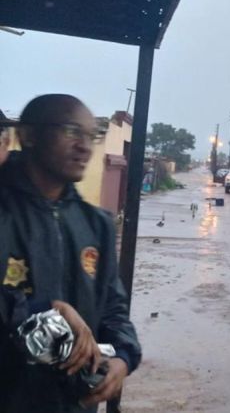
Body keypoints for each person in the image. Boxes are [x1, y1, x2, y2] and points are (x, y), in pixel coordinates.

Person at [0, 94, 141, 412]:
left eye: (91, 136)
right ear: (29, 135)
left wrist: (123, 356)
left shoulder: (97, 224)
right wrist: (47, 310)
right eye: (71, 131)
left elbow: (112, 307)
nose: (85, 147)